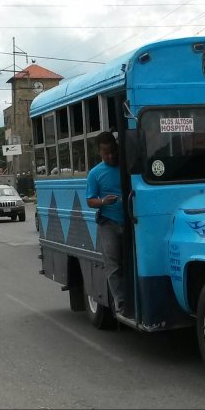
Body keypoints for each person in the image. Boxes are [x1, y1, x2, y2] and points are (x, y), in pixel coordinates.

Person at [86, 131, 125, 315]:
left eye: (112, 152)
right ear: (99, 153)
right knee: (113, 263)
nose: (110, 156)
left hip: (131, 220)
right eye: (105, 153)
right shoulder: (95, 173)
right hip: (108, 222)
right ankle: (120, 302)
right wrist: (103, 202)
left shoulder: (126, 167)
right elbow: (90, 200)